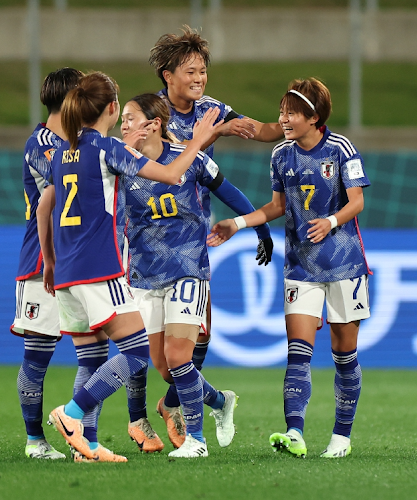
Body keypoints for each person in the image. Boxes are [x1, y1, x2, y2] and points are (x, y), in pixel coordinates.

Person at [41, 71, 221, 462]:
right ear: (110, 108)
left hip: (67, 271)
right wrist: (199, 141)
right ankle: (72, 415)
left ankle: (86, 446)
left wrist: (50, 262)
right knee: (138, 352)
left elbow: (45, 207)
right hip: (98, 268)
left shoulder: (60, 153)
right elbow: (173, 174)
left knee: (90, 359)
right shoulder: (108, 148)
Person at [207, 78, 371, 459]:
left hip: (344, 265)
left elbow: (357, 200)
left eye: (291, 112)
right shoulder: (281, 154)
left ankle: (341, 437)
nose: (283, 118)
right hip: (300, 267)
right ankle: (294, 432)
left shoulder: (341, 149)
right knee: (297, 352)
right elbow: (277, 205)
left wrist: (330, 222)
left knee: (344, 354)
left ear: (314, 117)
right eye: (282, 111)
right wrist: (238, 224)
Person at [148, 24, 282, 446]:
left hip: (190, 246)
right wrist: (215, 132)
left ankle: (173, 412)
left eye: (203, 71)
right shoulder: (152, 117)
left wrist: (293, 121)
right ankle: (204, 401)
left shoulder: (211, 108)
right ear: (168, 75)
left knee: (193, 346)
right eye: (190, 71)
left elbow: (256, 134)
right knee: (156, 360)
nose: (199, 79)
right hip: (147, 246)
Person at [120, 93, 242, 458]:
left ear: (152, 125)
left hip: (188, 269)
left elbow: (228, 191)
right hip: (144, 273)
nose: (123, 125)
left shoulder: (191, 160)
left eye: (129, 118)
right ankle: (220, 401)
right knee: (161, 365)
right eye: (121, 118)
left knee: (178, 357)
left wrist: (255, 226)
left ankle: (197, 441)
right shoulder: (118, 161)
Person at [11, 67, 84, 460]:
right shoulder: (41, 143)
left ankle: (83, 437)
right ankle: (34, 439)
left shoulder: (80, 141)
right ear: (71, 98)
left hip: (83, 259)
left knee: (95, 352)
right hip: (43, 261)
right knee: (38, 354)